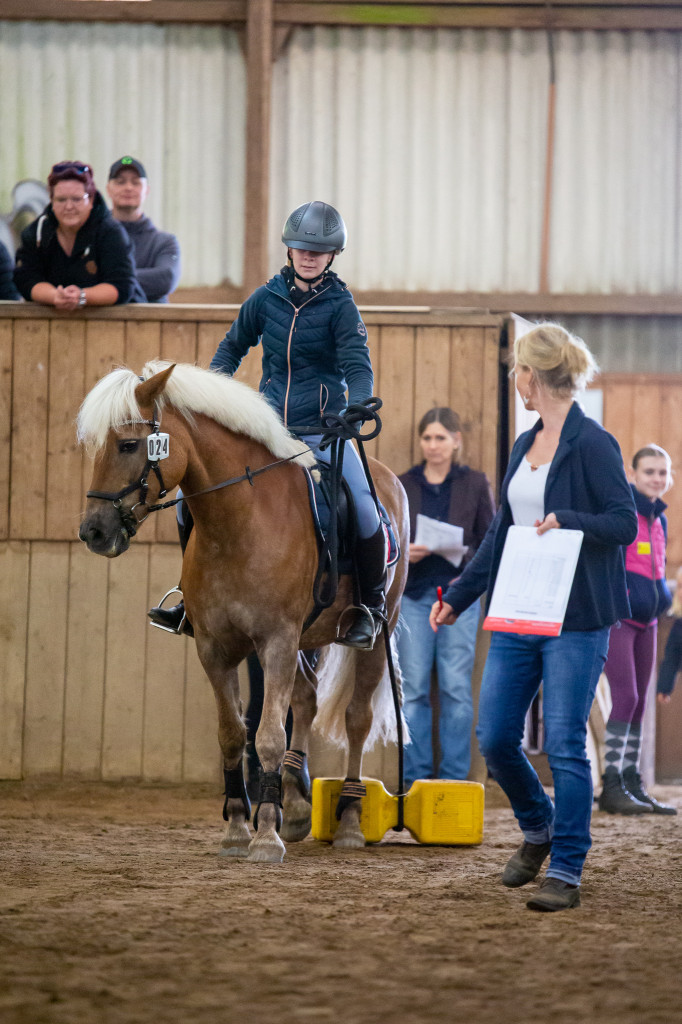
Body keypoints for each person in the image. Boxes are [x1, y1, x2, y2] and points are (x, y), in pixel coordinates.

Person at [430, 323, 637, 913]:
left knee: (567, 744)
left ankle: (566, 868)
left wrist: (568, 517)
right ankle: (539, 826)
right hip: (521, 608)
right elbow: (500, 533)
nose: (513, 379)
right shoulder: (526, 444)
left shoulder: (594, 444)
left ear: (533, 375)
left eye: (517, 369)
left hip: (579, 617)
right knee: (495, 735)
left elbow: (622, 523)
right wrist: (460, 597)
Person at [149, 200, 386, 650]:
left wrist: (355, 407)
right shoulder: (265, 298)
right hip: (267, 428)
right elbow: (231, 348)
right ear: (289, 249)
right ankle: (189, 599)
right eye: (300, 248)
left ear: (332, 255)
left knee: (363, 505)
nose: (308, 256)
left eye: (317, 251)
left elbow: (358, 367)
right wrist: (211, 396)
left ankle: (370, 607)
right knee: (187, 499)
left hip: (323, 430)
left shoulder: (341, 307)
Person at [397, 407, 495, 786]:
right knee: (414, 689)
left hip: (458, 597)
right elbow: (387, 539)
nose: (433, 445)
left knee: (455, 688)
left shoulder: (474, 483)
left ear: (456, 441)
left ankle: (455, 781)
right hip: (414, 596)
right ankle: (416, 779)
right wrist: (408, 551)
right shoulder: (404, 483)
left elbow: (490, 539)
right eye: (427, 438)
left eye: (441, 437)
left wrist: (460, 552)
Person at [599, 445, 676, 815]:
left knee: (640, 702)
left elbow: (656, 569)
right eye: (650, 472)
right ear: (633, 474)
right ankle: (611, 783)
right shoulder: (624, 511)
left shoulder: (658, 519)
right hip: (621, 619)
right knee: (626, 697)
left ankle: (633, 782)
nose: (657, 479)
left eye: (663, 472)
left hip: (649, 622)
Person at [13, 161, 143, 309]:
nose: (69, 207)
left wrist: (81, 296)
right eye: (61, 200)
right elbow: (25, 279)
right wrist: (55, 296)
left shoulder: (111, 232)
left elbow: (122, 286)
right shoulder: (36, 232)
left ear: (91, 200)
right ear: (52, 201)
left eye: (76, 199)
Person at [107, 156, 181, 303]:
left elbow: (166, 278)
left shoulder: (165, 242)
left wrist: (107, 281)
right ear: (108, 189)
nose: (128, 187)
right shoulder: (95, 238)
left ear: (146, 190)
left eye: (135, 182)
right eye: (120, 182)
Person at [657, 566, 682, 702]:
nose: (680, 593)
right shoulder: (679, 624)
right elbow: (671, 657)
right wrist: (664, 687)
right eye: (679, 587)